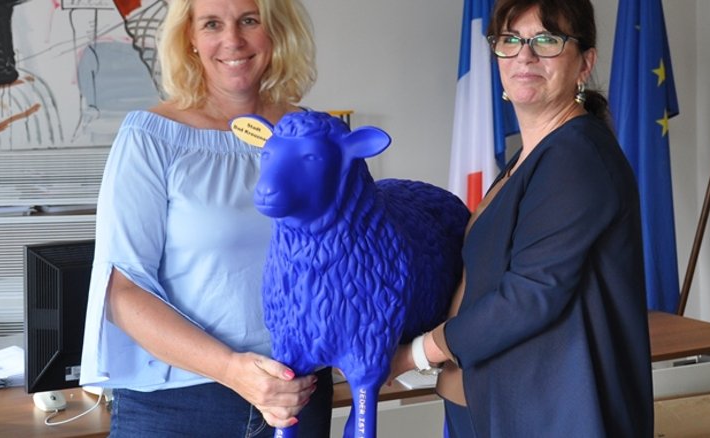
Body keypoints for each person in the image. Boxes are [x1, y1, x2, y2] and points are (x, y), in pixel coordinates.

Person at [391, 0, 653, 436]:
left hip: (551, 416)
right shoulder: (532, 155)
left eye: (547, 40)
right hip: (487, 402)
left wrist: (412, 354)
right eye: (510, 40)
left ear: (585, 63)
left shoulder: (576, 156)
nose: (525, 56)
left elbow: (529, 296)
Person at [79, 0, 333, 436]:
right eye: (212, 24)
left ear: (276, 31)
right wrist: (234, 370)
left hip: (297, 394)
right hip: (177, 407)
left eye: (249, 21)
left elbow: (345, 258)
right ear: (190, 39)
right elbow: (122, 293)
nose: (232, 40)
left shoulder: (314, 134)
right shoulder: (150, 138)